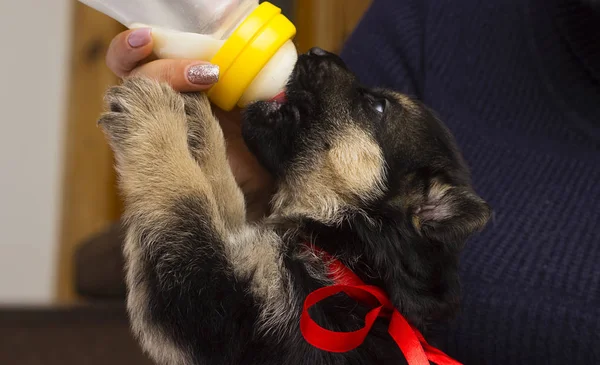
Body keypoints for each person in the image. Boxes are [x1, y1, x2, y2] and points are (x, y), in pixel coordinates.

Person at [104, 0, 600, 363]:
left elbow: (189, 311)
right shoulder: (433, 16)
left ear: (426, 207)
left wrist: (158, 155)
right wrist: (222, 149)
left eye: (375, 106)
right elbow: (232, 266)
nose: (323, 55)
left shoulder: (334, 315)